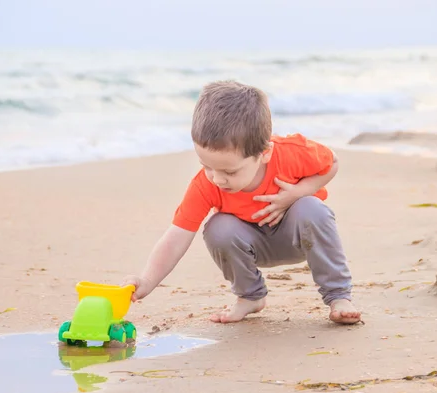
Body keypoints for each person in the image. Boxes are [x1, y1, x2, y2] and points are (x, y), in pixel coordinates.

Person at [122, 80, 361, 324]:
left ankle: (338, 296)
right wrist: (148, 281)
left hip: (298, 237)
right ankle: (250, 296)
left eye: (230, 171)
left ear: (264, 153)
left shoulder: (290, 153)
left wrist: (298, 192)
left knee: (311, 208)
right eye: (206, 166)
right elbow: (177, 236)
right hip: (251, 246)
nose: (217, 179)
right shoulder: (206, 184)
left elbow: (331, 162)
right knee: (218, 226)